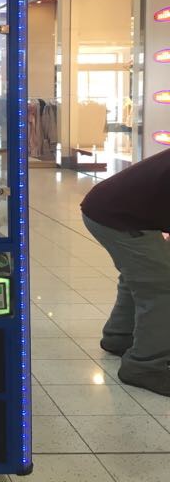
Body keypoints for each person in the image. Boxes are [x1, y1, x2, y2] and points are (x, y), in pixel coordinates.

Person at [80, 148, 170, 396]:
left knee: (145, 275)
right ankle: (145, 366)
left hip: (107, 208)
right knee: (162, 289)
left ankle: (120, 336)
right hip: (120, 217)